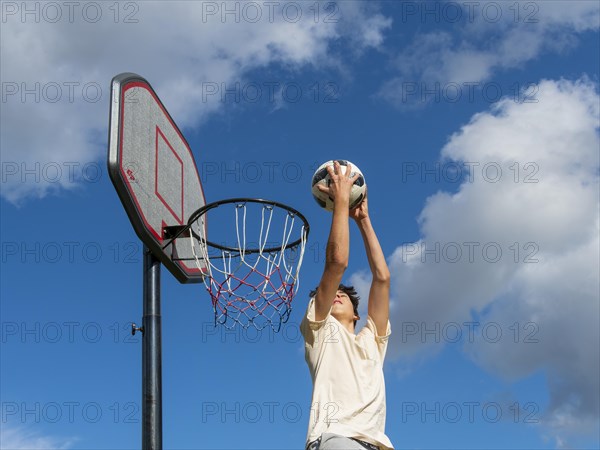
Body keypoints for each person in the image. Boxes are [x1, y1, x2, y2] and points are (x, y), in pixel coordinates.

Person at [300, 161, 394, 450]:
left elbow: (382, 278)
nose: (336, 295)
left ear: (357, 313)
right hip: (335, 439)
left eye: (345, 295)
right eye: (329, 295)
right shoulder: (319, 331)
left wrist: (363, 220)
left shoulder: (372, 342)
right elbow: (337, 263)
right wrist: (341, 203)